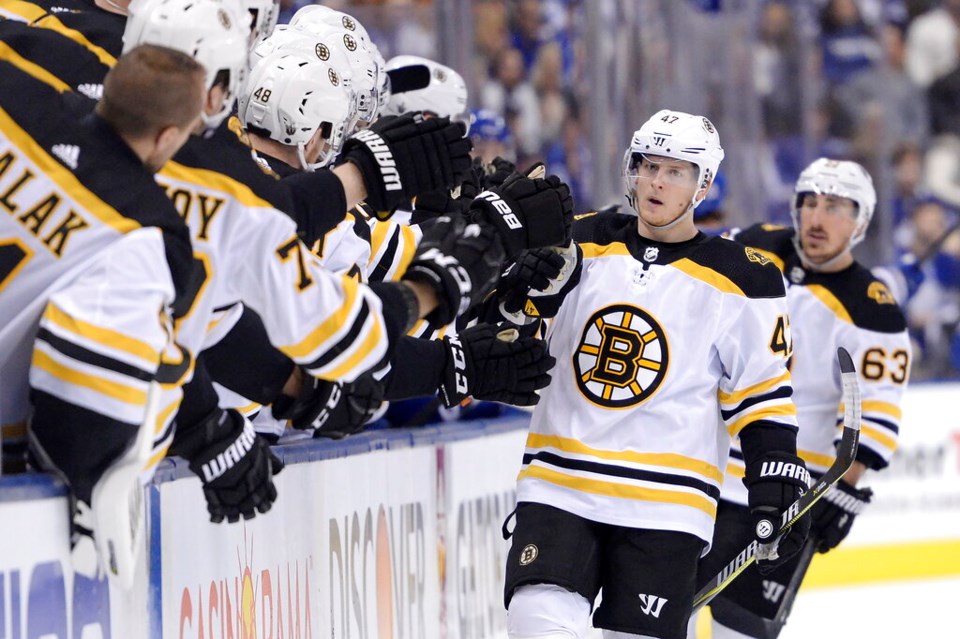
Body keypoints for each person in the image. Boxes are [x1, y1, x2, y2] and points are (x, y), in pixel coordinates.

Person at [499, 110, 807, 639]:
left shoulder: (744, 277)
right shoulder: (578, 242)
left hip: (667, 507)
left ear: (703, 184)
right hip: (561, 483)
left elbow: (761, 396)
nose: (656, 182)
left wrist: (774, 474)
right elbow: (510, 335)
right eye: (648, 166)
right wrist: (511, 293)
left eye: (676, 171)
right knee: (537, 623)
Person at [693, 158, 911, 639]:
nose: (817, 217)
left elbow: (875, 411)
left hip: (786, 493)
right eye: (809, 202)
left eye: (835, 207)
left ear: (861, 221)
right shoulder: (751, 246)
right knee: (661, 619)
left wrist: (844, 486)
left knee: (741, 630)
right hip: (699, 471)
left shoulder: (873, 310)